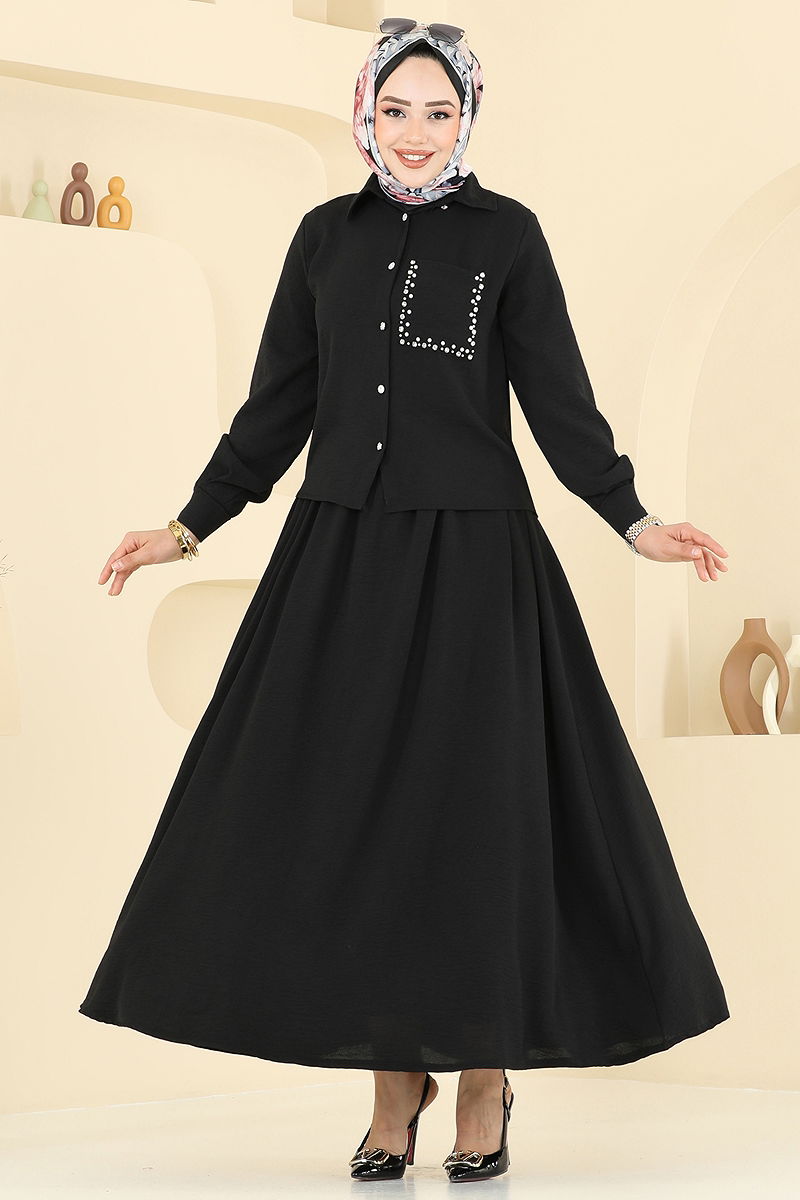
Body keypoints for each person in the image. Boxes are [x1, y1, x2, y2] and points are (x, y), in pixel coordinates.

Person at [78, 18, 731, 1184]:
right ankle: (394, 1086)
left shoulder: (506, 238)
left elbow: (559, 403)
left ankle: (480, 1079)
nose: (415, 133)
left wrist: (633, 521)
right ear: (364, 115)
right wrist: (186, 527)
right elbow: (275, 409)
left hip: (478, 567)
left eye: (438, 112)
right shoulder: (322, 239)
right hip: (339, 565)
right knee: (351, 820)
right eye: (395, 111)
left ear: (466, 118)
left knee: (477, 823)